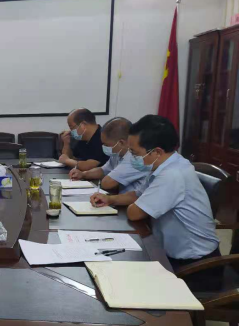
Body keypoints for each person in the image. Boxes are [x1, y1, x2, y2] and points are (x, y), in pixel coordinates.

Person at [90, 115, 220, 274]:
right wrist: (110, 199)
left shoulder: (172, 174)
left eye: (135, 153)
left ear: (157, 152)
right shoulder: (164, 165)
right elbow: (137, 194)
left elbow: (134, 213)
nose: (132, 157)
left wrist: (131, 202)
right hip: (168, 253)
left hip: (197, 266)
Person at [69, 117, 147, 193]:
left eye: (106, 144)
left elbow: (107, 183)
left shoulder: (134, 158)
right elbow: (103, 170)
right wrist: (83, 174)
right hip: (121, 197)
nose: (103, 147)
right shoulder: (117, 153)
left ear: (121, 143)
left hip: (135, 200)